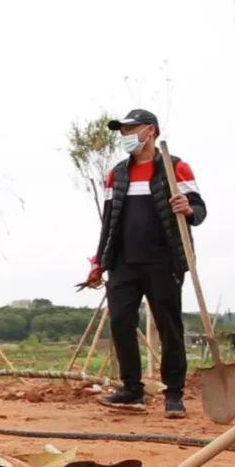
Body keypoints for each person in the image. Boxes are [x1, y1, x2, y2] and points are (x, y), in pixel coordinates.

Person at [82, 109, 207, 419]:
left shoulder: (175, 167)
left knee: (170, 328)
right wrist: (99, 260)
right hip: (123, 263)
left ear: (150, 131)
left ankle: (174, 393)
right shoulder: (117, 174)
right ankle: (132, 391)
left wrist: (187, 208)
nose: (125, 136)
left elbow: (200, 210)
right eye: (122, 131)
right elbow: (109, 220)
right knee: (121, 323)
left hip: (163, 262)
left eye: (131, 129)